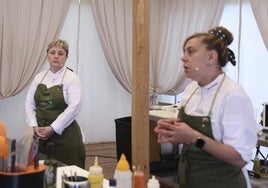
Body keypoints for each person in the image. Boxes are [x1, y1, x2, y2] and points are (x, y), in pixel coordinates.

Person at [154, 26, 257, 188]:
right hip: (191, 180)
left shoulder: (233, 96)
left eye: (190, 52)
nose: (183, 58)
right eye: (184, 52)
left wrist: (193, 137)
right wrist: (172, 130)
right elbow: (188, 133)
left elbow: (239, 158)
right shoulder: (191, 89)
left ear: (211, 57)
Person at [25, 39, 85, 168]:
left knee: (65, 175)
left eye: (61, 53)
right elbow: (29, 103)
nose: (56, 56)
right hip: (40, 137)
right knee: (42, 173)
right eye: (52, 52)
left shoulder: (72, 79)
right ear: (47, 55)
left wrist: (53, 128)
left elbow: (74, 107)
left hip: (65, 138)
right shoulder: (38, 77)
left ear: (66, 57)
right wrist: (34, 126)